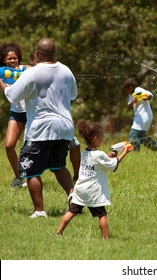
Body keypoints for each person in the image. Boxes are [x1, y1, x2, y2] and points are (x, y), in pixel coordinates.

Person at [1, 38, 77, 218]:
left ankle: (39, 210)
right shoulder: (66, 70)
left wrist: (3, 86)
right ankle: (73, 195)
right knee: (58, 165)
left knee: (30, 169)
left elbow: (13, 95)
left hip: (41, 129)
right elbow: (73, 95)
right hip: (65, 127)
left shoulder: (32, 73)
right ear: (54, 52)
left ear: (37, 53)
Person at [56, 120, 130, 239]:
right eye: (101, 137)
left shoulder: (84, 153)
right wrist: (125, 152)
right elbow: (112, 166)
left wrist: (109, 156)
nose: (102, 139)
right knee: (102, 214)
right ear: (95, 138)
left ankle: (58, 232)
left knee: (71, 211)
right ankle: (105, 238)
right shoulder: (99, 155)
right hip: (93, 192)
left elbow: (99, 162)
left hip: (80, 190)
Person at [0, 42, 29, 189]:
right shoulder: (2, 75)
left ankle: (32, 176)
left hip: (31, 113)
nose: (12, 61)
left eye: (14, 58)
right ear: (4, 60)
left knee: (29, 148)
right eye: (9, 59)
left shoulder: (26, 70)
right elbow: (9, 96)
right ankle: (19, 179)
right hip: (17, 112)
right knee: (9, 145)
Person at [123, 78, 157, 151]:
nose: (126, 91)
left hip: (143, 117)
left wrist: (146, 97)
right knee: (142, 137)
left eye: (126, 89)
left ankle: (135, 153)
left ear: (130, 87)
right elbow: (129, 106)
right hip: (140, 118)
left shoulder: (138, 90)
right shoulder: (131, 95)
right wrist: (134, 101)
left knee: (134, 136)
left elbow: (150, 95)